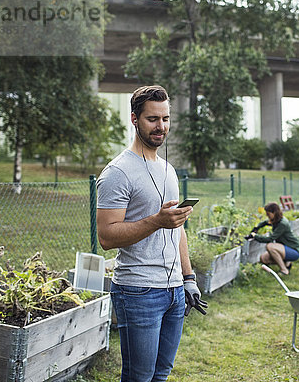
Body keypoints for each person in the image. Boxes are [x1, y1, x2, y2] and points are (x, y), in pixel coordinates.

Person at [96, 85, 207, 382]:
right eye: (153, 119)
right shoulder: (117, 173)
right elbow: (106, 237)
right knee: (139, 378)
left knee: (161, 375)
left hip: (174, 292)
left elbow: (177, 227)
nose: (161, 127)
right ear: (134, 119)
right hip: (138, 292)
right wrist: (157, 221)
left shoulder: (168, 170)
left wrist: (189, 278)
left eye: (166, 119)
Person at [250, 202, 299, 275]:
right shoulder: (276, 220)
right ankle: (287, 264)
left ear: (274, 212)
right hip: (285, 248)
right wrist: (257, 227)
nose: (267, 216)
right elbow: (265, 222)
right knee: (263, 258)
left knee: (270, 246)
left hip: (293, 250)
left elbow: (269, 239)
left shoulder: (282, 223)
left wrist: (255, 236)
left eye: (268, 214)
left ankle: (284, 270)